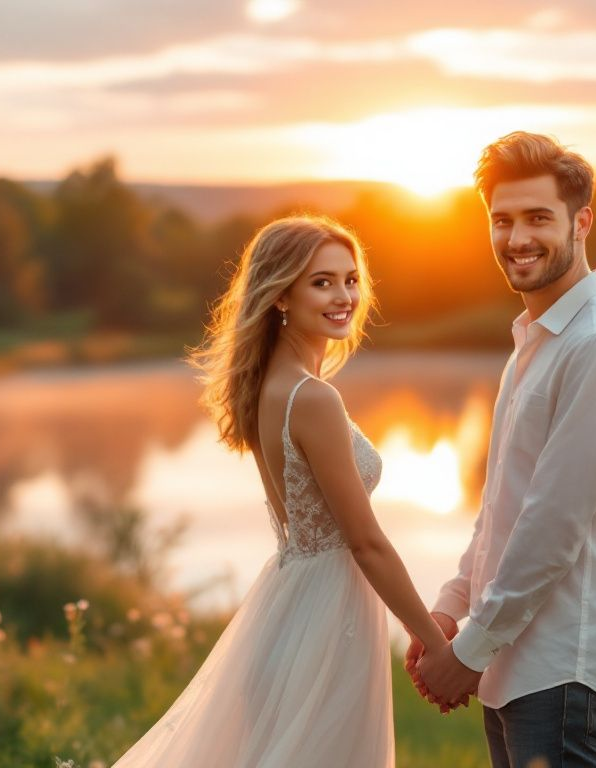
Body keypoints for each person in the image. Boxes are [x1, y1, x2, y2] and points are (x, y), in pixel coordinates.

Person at [111, 215, 449, 767]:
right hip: (325, 617)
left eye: (350, 278)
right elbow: (366, 543)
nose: (343, 296)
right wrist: (436, 644)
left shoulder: (268, 383)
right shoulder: (312, 398)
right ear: (280, 296)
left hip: (296, 603)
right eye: (321, 282)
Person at [408, 132, 596, 768]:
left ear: (582, 222)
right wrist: (452, 609)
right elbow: (506, 504)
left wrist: (470, 651)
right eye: (501, 221)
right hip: (520, 655)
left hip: (566, 662)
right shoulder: (537, 338)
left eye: (538, 218)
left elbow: (554, 525)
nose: (517, 238)